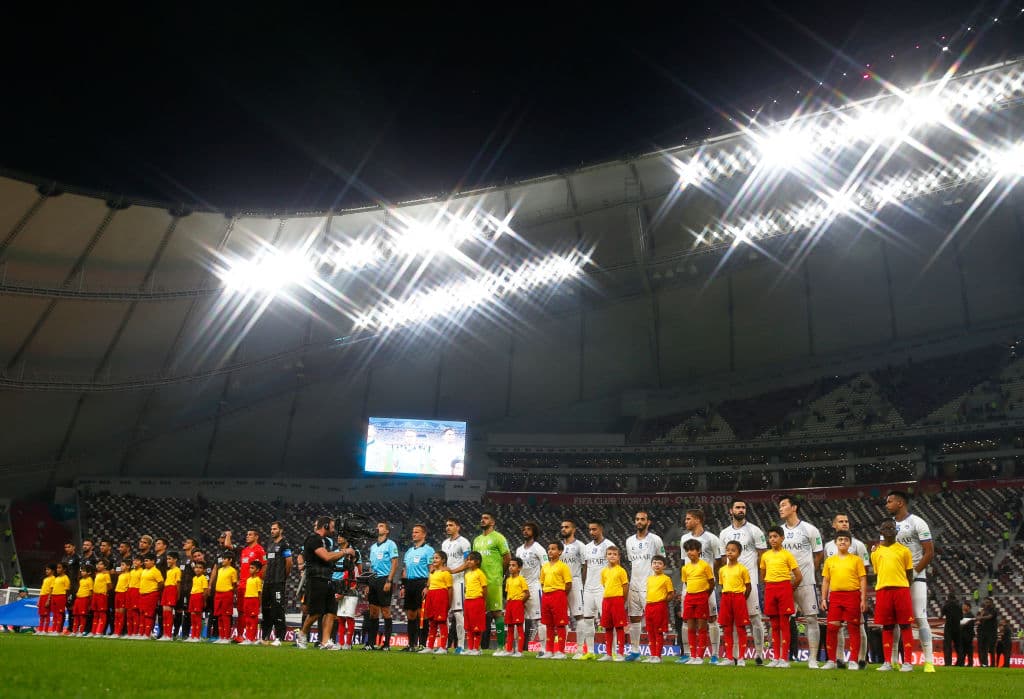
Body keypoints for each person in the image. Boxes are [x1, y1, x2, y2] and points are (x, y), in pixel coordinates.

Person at [885, 490, 936, 672]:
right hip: (895, 579)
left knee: (920, 617)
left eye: (890, 501)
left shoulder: (917, 522)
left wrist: (914, 572)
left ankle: (929, 661)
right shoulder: (888, 526)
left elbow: (929, 552)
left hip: (916, 577)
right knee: (895, 620)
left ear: (900, 503)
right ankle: (893, 660)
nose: (887, 504)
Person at [719, 499, 768, 665]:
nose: (741, 510)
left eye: (743, 507)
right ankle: (733, 656)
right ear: (731, 511)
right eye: (738, 507)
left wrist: (761, 580)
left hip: (750, 581)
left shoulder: (755, 531)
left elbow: (763, 556)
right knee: (731, 622)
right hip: (731, 584)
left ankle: (759, 654)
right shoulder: (724, 533)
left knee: (755, 618)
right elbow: (723, 558)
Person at [778, 496, 824, 667]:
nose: (780, 508)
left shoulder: (809, 529)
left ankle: (812, 659)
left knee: (811, 619)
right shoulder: (779, 532)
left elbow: (818, 553)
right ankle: (784, 658)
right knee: (784, 621)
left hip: (805, 582)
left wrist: (809, 571)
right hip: (784, 584)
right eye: (779, 506)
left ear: (794, 507)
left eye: (783, 505)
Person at [296, 516, 352, 650]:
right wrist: (345, 551)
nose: (333, 529)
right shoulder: (313, 540)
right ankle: (302, 634)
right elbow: (326, 557)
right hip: (316, 579)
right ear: (325, 526)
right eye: (332, 526)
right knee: (316, 612)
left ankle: (325, 642)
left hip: (327, 579)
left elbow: (329, 561)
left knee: (331, 611)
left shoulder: (325, 542)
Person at [824, 513, 870, 667]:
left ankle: (858, 660)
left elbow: (864, 575)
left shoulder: (858, 550)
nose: (844, 523)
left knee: (855, 627)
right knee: (832, 627)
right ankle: (835, 660)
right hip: (835, 595)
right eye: (841, 521)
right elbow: (826, 578)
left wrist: (863, 598)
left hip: (853, 595)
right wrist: (824, 598)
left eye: (846, 521)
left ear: (850, 543)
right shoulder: (828, 551)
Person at [870, 519, 915, 672]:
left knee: (905, 625)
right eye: (885, 528)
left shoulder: (904, 551)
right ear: (881, 531)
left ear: (896, 531)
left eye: (891, 527)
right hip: (883, 591)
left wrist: (903, 586)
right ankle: (887, 662)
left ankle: (908, 662)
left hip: (901, 590)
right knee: (887, 626)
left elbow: (910, 574)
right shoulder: (875, 553)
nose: (888, 530)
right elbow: (878, 573)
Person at [680, 509, 724, 662]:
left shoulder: (712, 538)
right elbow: (682, 561)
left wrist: (708, 581)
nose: (686, 522)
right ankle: (689, 654)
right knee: (688, 620)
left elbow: (719, 561)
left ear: (698, 520)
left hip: (706, 587)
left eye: (688, 519)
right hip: (690, 587)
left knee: (711, 619)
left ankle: (714, 654)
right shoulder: (684, 538)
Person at [624, 510, 666, 662]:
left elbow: (661, 561)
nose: (639, 521)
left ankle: (655, 653)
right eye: (637, 519)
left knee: (652, 622)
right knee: (634, 618)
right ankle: (635, 651)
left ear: (648, 522)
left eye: (643, 519)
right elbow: (633, 562)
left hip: (650, 586)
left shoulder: (656, 540)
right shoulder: (629, 541)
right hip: (634, 583)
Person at [760, 525, 802, 668]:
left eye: (775, 536)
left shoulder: (787, 555)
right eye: (770, 537)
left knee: (784, 625)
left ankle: (784, 658)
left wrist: (790, 588)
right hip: (770, 587)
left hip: (784, 587)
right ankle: (775, 657)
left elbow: (798, 576)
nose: (772, 539)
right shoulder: (765, 556)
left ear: (782, 538)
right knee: (774, 625)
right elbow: (763, 574)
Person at [472, 511, 511, 650]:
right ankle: (476, 647)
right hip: (477, 581)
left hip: (493, 580)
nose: (483, 520)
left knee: (496, 613)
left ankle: (501, 646)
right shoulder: (476, 540)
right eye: (482, 518)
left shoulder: (499, 538)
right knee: (478, 613)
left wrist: (500, 574)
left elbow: (507, 558)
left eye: (486, 518)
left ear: (492, 522)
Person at [579, 519, 615, 660]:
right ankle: (591, 651)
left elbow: (614, 565)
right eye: (590, 529)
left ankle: (610, 652)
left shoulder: (609, 545)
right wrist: (584, 583)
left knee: (607, 621)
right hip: (588, 588)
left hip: (603, 588)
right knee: (588, 619)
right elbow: (586, 566)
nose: (592, 532)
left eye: (594, 529)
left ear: (601, 529)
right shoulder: (587, 547)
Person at [363, 520, 400, 651]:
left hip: (384, 579)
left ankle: (387, 644)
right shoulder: (373, 547)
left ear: (387, 531)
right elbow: (371, 567)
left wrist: (389, 581)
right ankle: (371, 643)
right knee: (373, 612)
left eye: (381, 526)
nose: (378, 528)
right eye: (377, 526)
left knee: (385, 611)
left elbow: (395, 563)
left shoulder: (391, 545)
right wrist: (368, 583)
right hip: (373, 580)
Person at [514, 521, 547, 654]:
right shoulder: (519, 550)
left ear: (534, 532)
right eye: (523, 529)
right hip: (520, 586)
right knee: (518, 619)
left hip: (534, 586)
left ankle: (543, 649)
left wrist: (543, 585)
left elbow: (546, 566)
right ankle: (517, 648)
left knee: (538, 619)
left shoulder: (538, 548)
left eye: (528, 529)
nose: (525, 531)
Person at [680, 539, 714, 665]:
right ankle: (693, 656)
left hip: (701, 597)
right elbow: (686, 583)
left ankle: (700, 656)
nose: (690, 552)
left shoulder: (705, 565)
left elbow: (711, 583)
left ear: (699, 551)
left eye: (693, 549)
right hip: (690, 598)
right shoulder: (685, 568)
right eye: (688, 550)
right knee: (690, 628)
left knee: (702, 628)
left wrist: (705, 595)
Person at [401, 523, 435, 652]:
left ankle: (423, 644)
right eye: (413, 532)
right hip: (409, 583)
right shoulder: (409, 551)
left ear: (424, 534)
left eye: (416, 532)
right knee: (410, 615)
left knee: (422, 615)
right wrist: (402, 586)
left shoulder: (429, 550)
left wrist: (427, 586)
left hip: (422, 583)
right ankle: (411, 644)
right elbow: (404, 570)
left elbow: (431, 569)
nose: (413, 534)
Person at [717, 541, 751, 666]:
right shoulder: (722, 570)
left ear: (739, 553)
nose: (730, 552)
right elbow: (721, 586)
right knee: (727, 628)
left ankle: (741, 657)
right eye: (728, 550)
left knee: (741, 628)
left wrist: (742, 599)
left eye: (733, 550)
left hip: (738, 598)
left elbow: (748, 586)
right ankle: (729, 657)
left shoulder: (742, 569)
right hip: (726, 597)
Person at [441, 517, 471, 652]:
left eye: (451, 525)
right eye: (447, 525)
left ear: (458, 527)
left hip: (458, 581)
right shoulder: (444, 543)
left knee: (458, 614)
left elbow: (468, 563)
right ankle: (444, 645)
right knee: (444, 614)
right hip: (445, 582)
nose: (448, 527)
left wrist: (452, 571)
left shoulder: (464, 542)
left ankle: (460, 645)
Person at [539, 541, 573, 659]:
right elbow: (542, 583)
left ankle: (561, 652)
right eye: (549, 549)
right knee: (548, 624)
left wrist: (562, 595)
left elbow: (568, 584)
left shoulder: (563, 566)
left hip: (558, 595)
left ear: (560, 551)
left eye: (553, 549)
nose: (550, 551)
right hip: (546, 595)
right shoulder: (545, 566)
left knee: (560, 624)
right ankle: (549, 650)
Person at [260, 521, 292, 646]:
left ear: (281, 530)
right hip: (268, 582)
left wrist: (283, 577)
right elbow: (267, 563)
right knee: (266, 609)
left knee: (278, 609)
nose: (272, 531)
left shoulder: (285, 544)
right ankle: (265, 636)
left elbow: (289, 562)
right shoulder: (270, 544)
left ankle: (279, 637)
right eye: (271, 529)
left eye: (275, 529)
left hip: (278, 582)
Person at [598, 545, 629, 662]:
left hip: (617, 600)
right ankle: (608, 654)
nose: (612, 556)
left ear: (618, 557)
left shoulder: (621, 571)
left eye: (615, 554)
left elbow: (625, 586)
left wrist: (622, 600)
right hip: (606, 601)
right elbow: (604, 585)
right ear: (606, 556)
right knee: (608, 627)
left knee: (619, 627)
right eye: (610, 554)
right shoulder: (604, 571)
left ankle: (621, 653)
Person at [559, 519, 586, 654]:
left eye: (567, 527)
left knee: (579, 616)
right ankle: (561, 650)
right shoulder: (557, 547)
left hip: (575, 582)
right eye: (562, 527)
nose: (563, 529)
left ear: (574, 529)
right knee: (561, 617)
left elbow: (585, 565)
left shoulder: (580, 546)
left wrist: (582, 582)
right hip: (559, 584)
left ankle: (580, 649)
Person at [234, 530, 266, 641]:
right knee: (240, 611)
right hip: (242, 584)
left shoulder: (260, 550)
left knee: (250, 613)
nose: (247, 536)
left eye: (250, 534)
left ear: (256, 537)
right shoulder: (244, 550)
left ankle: (250, 636)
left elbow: (264, 566)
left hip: (252, 585)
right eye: (247, 534)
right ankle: (240, 635)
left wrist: (260, 579)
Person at [642, 554, 673, 663]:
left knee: (658, 632)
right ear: (651, 565)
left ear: (664, 566)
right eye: (654, 563)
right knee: (650, 632)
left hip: (659, 606)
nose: (657, 565)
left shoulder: (666, 579)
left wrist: (662, 602)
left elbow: (671, 593)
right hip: (649, 606)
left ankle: (658, 656)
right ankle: (652, 655)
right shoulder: (649, 579)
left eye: (659, 563)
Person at [420, 551, 453, 654]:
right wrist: (427, 588)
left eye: (437, 558)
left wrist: (449, 603)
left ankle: (443, 647)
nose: (434, 560)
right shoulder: (432, 572)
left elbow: (450, 589)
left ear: (443, 560)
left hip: (441, 597)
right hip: (431, 596)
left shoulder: (446, 573)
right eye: (434, 558)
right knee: (432, 622)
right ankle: (429, 646)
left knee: (442, 622)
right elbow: (429, 584)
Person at [332, 534, 360, 650]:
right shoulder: (346, 568)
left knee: (349, 618)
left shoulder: (354, 569)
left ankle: (348, 643)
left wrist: (341, 593)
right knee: (341, 619)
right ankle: (341, 643)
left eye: (349, 557)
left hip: (350, 596)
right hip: (343, 595)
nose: (347, 558)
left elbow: (353, 584)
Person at [496, 556, 528, 657]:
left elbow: (527, 593)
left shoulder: (521, 579)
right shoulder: (508, 580)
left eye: (513, 565)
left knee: (519, 628)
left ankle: (519, 651)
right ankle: (509, 650)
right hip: (509, 604)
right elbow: (507, 593)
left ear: (519, 568)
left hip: (517, 603)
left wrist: (520, 602)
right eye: (510, 565)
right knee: (509, 628)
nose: (510, 567)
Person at [463, 551, 487, 655]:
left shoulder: (480, 573)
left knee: (477, 627)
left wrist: (483, 601)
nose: (468, 561)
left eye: (471, 559)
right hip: (468, 600)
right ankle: (470, 647)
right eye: (467, 559)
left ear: (477, 561)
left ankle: (476, 648)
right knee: (468, 626)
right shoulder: (467, 574)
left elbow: (485, 588)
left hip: (477, 600)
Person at [212, 551, 238, 645]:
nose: (222, 560)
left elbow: (234, 584)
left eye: (225, 559)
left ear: (230, 560)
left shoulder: (233, 570)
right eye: (222, 558)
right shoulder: (219, 570)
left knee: (225, 616)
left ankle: (226, 637)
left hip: (227, 594)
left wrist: (232, 594)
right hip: (218, 594)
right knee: (219, 616)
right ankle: (221, 636)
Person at [138, 553, 163, 638]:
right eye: (144, 561)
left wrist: (155, 591)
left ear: (153, 561)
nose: (145, 563)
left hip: (151, 594)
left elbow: (161, 583)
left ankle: (147, 633)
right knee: (141, 614)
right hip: (142, 595)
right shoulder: (144, 571)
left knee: (148, 615)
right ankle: (141, 633)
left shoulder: (156, 571)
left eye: (147, 561)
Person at [158, 552, 181, 641]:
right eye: (167, 559)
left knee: (169, 613)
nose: (168, 560)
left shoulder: (177, 570)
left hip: (172, 589)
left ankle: (169, 635)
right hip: (166, 589)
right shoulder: (169, 570)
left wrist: (177, 594)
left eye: (170, 559)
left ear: (175, 560)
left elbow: (178, 583)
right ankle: (165, 634)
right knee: (164, 613)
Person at [241, 559, 263, 645]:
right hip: (247, 600)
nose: (250, 569)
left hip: (254, 600)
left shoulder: (258, 580)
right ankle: (247, 638)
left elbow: (259, 593)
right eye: (250, 568)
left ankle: (251, 638)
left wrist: (259, 605)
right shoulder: (248, 579)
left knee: (253, 621)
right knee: (247, 620)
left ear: (257, 570)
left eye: (252, 568)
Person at [186, 560, 209, 642]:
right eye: (196, 567)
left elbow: (205, 590)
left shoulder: (204, 578)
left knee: (198, 617)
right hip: (193, 596)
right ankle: (192, 635)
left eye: (200, 568)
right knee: (192, 616)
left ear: (204, 570)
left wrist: (204, 600)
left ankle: (197, 636)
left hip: (199, 596)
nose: (197, 569)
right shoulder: (194, 578)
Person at [91, 559, 111, 637]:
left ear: (105, 566)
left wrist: (104, 591)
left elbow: (109, 586)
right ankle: (94, 631)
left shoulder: (106, 574)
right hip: (95, 595)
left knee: (102, 614)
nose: (98, 566)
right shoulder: (97, 574)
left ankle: (100, 631)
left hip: (102, 596)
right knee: (95, 614)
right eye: (97, 564)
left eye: (100, 564)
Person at [50, 562, 71, 636]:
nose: (57, 569)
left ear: (64, 569)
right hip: (54, 596)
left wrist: (66, 599)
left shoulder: (66, 578)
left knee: (60, 614)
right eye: (57, 568)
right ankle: (54, 629)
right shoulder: (56, 578)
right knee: (55, 614)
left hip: (61, 596)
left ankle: (58, 630)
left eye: (59, 568)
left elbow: (67, 590)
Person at [941, 594, 963, 666]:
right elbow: (961, 617)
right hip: (957, 627)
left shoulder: (946, 606)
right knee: (958, 646)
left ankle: (948, 663)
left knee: (947, 645)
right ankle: (960, 662)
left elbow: (941, 616)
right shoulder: (959, 606)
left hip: (948, 627)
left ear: (948, 598)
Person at [72, 564, 93, 635]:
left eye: (84, 571)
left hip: (84, 599)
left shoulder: (90, 580)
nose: (82, 572)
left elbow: (91, 592)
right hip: (78, 599)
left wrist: (89, 603)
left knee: (82, 616)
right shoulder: (81, 580)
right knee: (75, 615)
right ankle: (74, 631)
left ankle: (81, 631)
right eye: (81, 571)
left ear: (89, 572)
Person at [976, 597, 997, 667]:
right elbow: (978, 618)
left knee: (991, 649)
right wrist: (980, 617)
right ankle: (983, 663)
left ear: (991, 603)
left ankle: (993, 664)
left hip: (990, 632)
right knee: (982, 648)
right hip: (982, 632)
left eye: (987, 602)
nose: (986, 604)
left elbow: (990, 617)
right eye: (985, 602)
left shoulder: (993, 610)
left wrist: (981, 617)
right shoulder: (982, 610)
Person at [126, 555, 143, 637]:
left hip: (137, 591)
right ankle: (129, 632)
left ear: (141, 563)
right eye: (134, 560)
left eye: (137, 560)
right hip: (130, 591)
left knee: (135, 612)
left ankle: (136, 632)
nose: (135, 562)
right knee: (129, 612)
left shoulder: (142, 571)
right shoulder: (131, 571)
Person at [112, 559, 130, 637]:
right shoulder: (120, 575)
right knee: (117, 614)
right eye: (121, 565)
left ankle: (119, 632)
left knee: (121, 614)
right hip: (117, 594)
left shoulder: (129, 575)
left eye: (123, 565)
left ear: (128, 566)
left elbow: (129, 586)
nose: (121, 567)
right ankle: (115, 631)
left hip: (123, 594)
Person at [957, 601, 976, 666]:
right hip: (962, 635)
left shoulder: (971, 615)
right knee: (962, 650)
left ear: (968, 607)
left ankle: (970, 663)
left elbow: (970, 625)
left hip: (968, 635)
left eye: (964, 605)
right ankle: (961, 662)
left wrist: (962, 625)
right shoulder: (962, 615)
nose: (963, 607)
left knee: (969, 650)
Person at [38, 564, 54, 633]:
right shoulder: (45, 579)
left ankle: (45, 630)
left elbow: (51, 590)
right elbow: (42, 590)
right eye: (46, 569)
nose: (46, 571)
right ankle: (40, 629)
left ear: (53, 571)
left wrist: (48, 599)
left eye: (48, 569)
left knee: (46, 614)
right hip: (42, 596)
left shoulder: (53, 578)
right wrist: (39, 600)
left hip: (47, 596)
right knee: (41, 614)